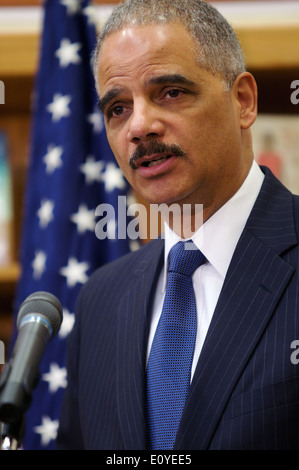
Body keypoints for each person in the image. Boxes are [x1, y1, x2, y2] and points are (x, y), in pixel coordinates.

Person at [56, 0, 299, 450]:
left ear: (242, 101)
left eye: (170, 92)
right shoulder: (99, 301)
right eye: (118, 109)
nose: (140, 126)